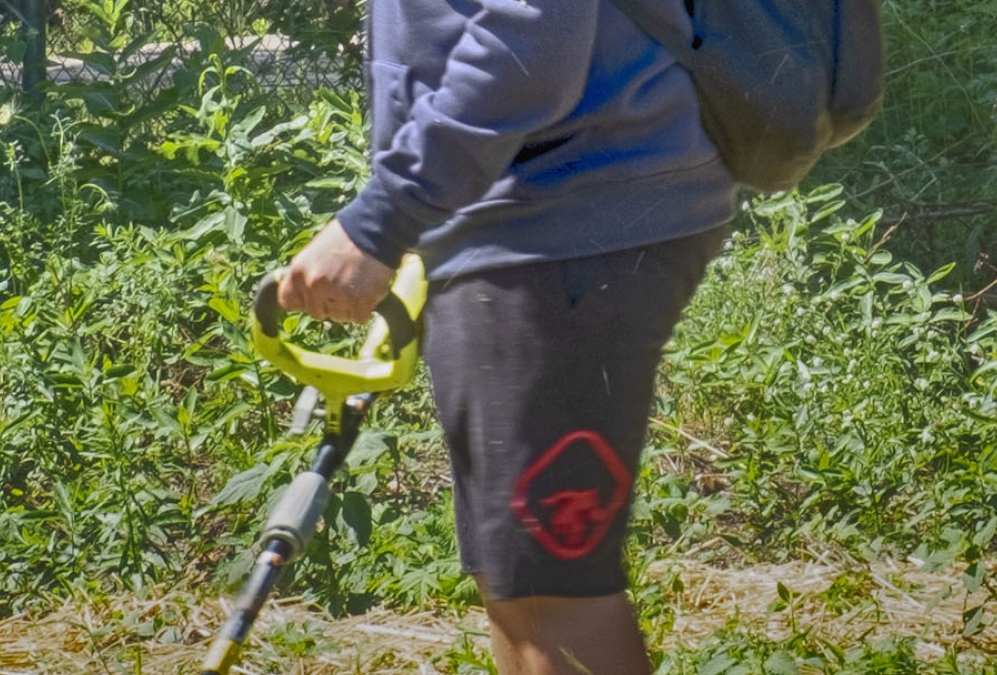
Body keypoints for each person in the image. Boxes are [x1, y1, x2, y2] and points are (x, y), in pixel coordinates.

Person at [277, 1, 736, 673]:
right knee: (516, 585)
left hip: (563, 221)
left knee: (556, 599)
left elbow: (534, 29)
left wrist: (385, 217)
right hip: (511, 223)